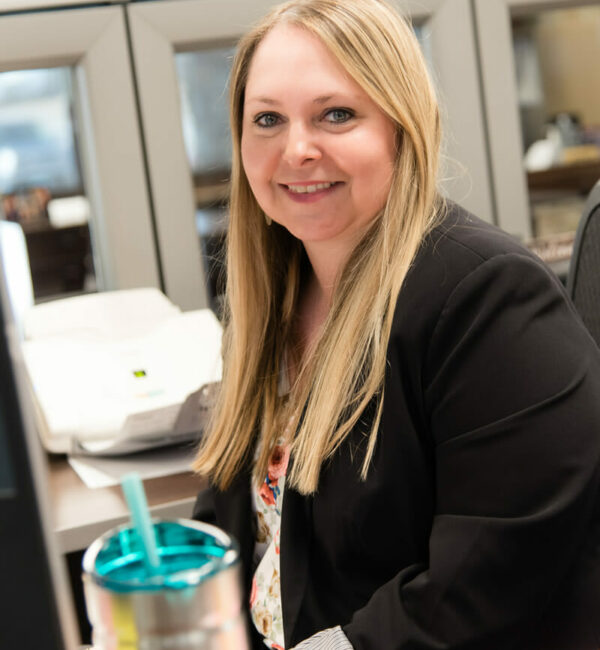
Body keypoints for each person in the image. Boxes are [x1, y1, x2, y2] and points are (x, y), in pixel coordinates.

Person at [192, 0, 600, 648]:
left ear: (400, 127)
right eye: (267, 119)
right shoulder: (270, 296)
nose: (296, 148)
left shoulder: (485, 298)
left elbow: (486, 584)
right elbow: (239, 525)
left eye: (336, 114)